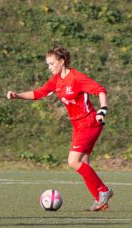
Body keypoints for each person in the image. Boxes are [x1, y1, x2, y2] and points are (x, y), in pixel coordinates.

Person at [6, 46, 113, 211]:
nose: (49, 67)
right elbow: (38, 93)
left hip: (89, 123)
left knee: (73, 161)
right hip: (78, 125)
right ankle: (100, 199)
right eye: (47, 64)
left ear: (62, 61)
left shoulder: (76, 77)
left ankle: (103, 191)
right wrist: (17, 95)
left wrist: (102, 110)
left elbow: (100, 90)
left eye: (51, 63)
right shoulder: (55, 81)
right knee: (83, 163)